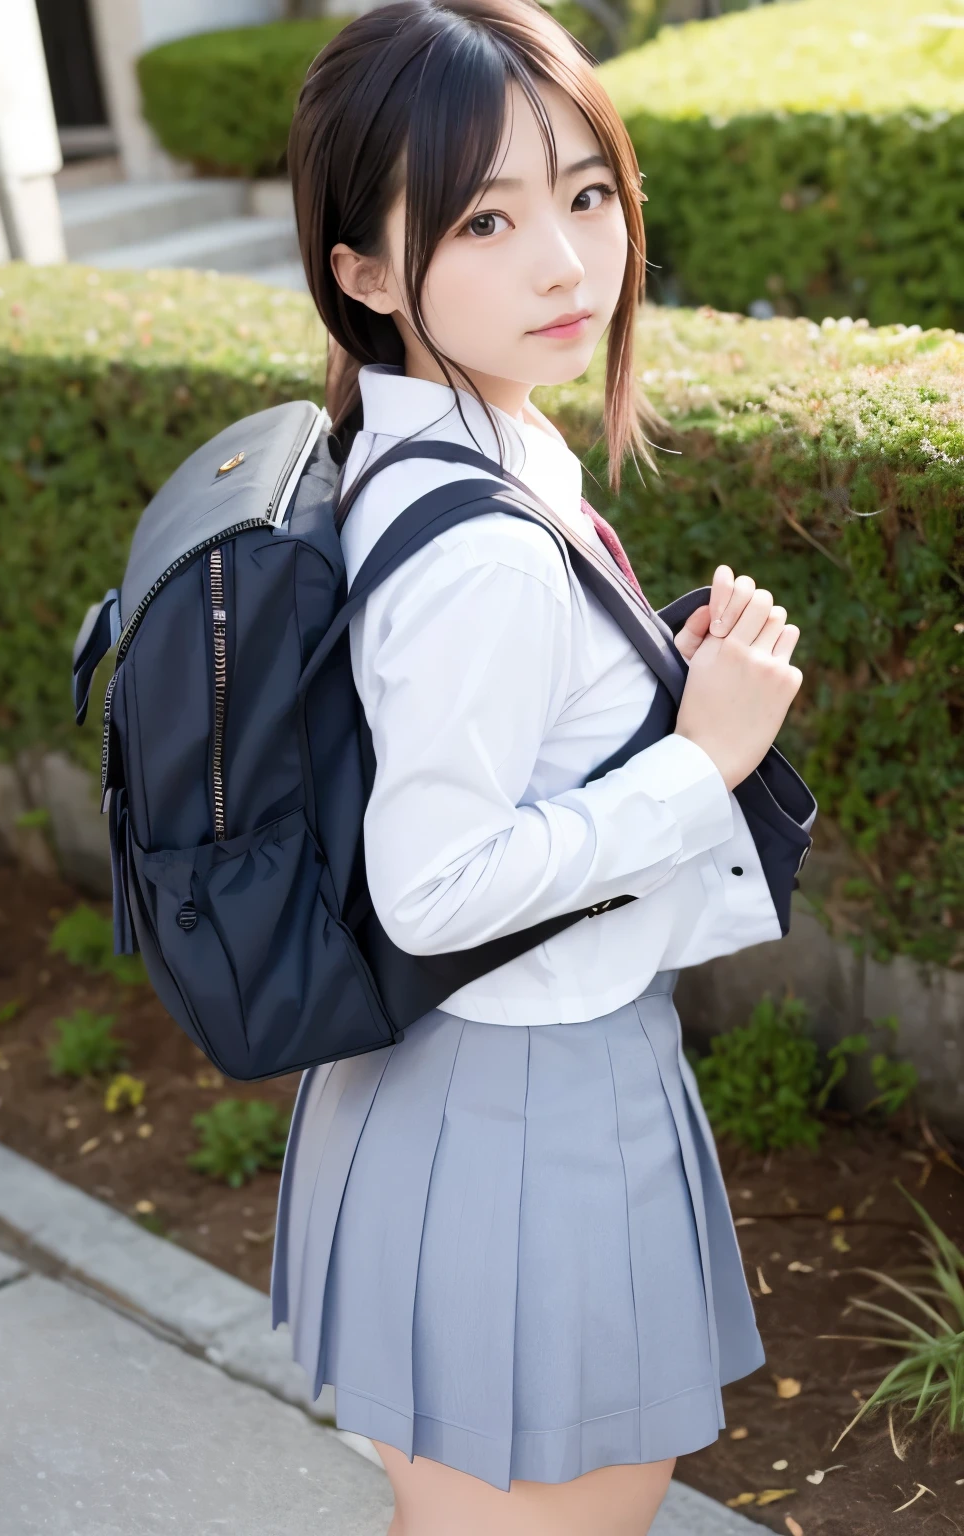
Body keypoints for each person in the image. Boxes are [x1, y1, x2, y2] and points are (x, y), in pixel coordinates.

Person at [271, 2, 804, 1532]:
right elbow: (436, 884)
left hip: (452, 1088)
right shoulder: (479, 548)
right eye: (485, 218)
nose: (569, 260)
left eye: (584, 193)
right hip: (524, 1112)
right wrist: (698, 764)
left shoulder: (436, 446)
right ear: (363, 272)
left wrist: (658, 691)